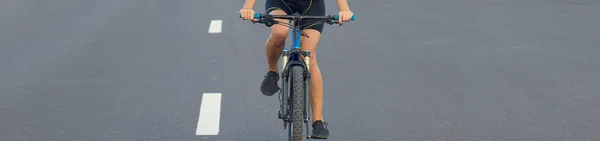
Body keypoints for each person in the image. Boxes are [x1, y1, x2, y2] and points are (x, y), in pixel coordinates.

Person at [239, 0, 353, 139]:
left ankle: (318, 120)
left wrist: (344, 9)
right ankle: (272, 71)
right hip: (280, 2)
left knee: (308, 54)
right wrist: (248, 7)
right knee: (279, 32)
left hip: (311, 5)